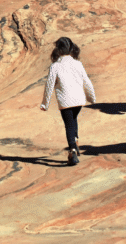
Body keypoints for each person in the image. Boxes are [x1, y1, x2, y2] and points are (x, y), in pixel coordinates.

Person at [39, 37, 96, 166]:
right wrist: (91, 97)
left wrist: (45, 104)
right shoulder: (77, 63)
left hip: (65, 100)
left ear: (58, 49)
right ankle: (75, 141)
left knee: (69, 124)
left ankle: (72, 150)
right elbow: (86, 81)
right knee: (73, 120)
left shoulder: (55, 66)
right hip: (79, 100)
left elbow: (49, 85)